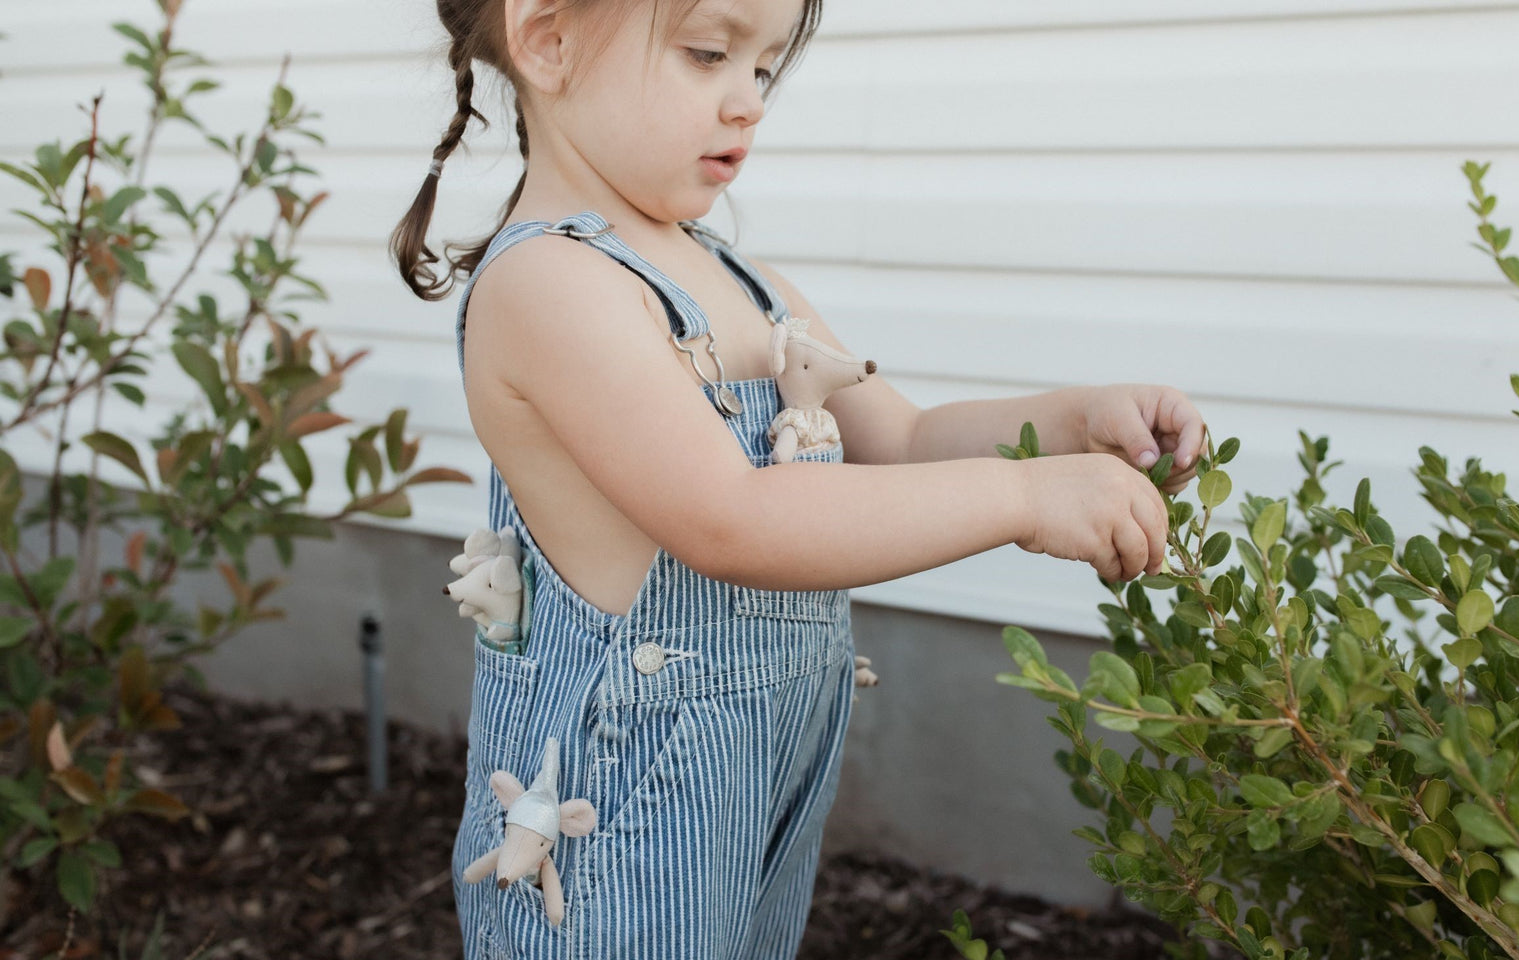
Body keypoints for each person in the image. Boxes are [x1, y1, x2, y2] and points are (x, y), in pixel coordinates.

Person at [389, 0, 1205, 956]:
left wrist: (1069, 427)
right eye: (708, 55)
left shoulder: (744, 281)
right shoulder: (553, 287)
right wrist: (1027, 501)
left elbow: (899, 441)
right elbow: (734, 520)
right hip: (613, 819)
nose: (749, 103)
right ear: (548, 39)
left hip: (752, 785)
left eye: (765, 69)